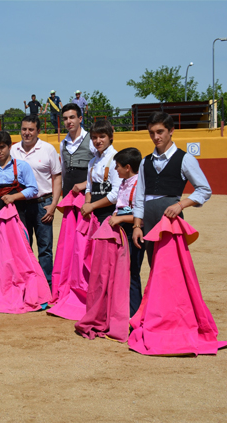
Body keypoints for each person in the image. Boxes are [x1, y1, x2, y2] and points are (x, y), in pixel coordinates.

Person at [132, 111, 212, 264]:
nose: (156, 137)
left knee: (171, 264)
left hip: (170, 219)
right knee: (153, 263)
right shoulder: (145, 161)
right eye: (152, 133)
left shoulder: (185, 159)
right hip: (148, 221)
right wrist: (137, 225)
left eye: (160, 132)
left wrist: (180, 205)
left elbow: (204, 189)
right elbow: (139, 197)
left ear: (171, 130)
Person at [11, 115, 62, 287]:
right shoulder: (13, 150)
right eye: (24, 129)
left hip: (43, 203)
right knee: (23, 247)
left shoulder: (48, 149)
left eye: (31, 129)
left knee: (45, 248)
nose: (27, 133)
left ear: (38, 131)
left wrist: (53, 205)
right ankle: (27, 284)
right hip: (21, 205)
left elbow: (57, 177)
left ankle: (47, 286)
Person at [0, 131, 38, 247]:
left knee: (20, 249)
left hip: (18, 215)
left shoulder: (22, 166)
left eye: (2, 147)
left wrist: (14, 197)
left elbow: (33, 189)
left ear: (10, 146)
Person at [107, 147, 145, 317]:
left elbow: (142, 218)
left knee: (132, 272)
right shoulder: (124, 183)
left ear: (127, 167)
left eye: (118, 166)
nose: (116, 169)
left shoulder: (139, 185)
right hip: (122, 231)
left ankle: (134, 313)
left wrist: (121, 219)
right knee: (121, 272)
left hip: (133, 232)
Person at [80, 119, 122, 224]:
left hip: (109, 212)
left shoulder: (116, 160)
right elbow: (89, 188)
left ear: (110, 137)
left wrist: (92, 206)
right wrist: (87, 204)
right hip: (93, 212)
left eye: (102, 136)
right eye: (94, 137)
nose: (98, 141)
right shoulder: (92, 162)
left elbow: (116, 194)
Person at [59, 103, 97, 196]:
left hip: (87, 191)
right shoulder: (63, 143)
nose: (68, 121)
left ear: (80, 119)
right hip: (68, 191)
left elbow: (100, 167)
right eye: (65, 118)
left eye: (72, 117)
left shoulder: (92, 140)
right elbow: (63, 170)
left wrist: (85, 184)